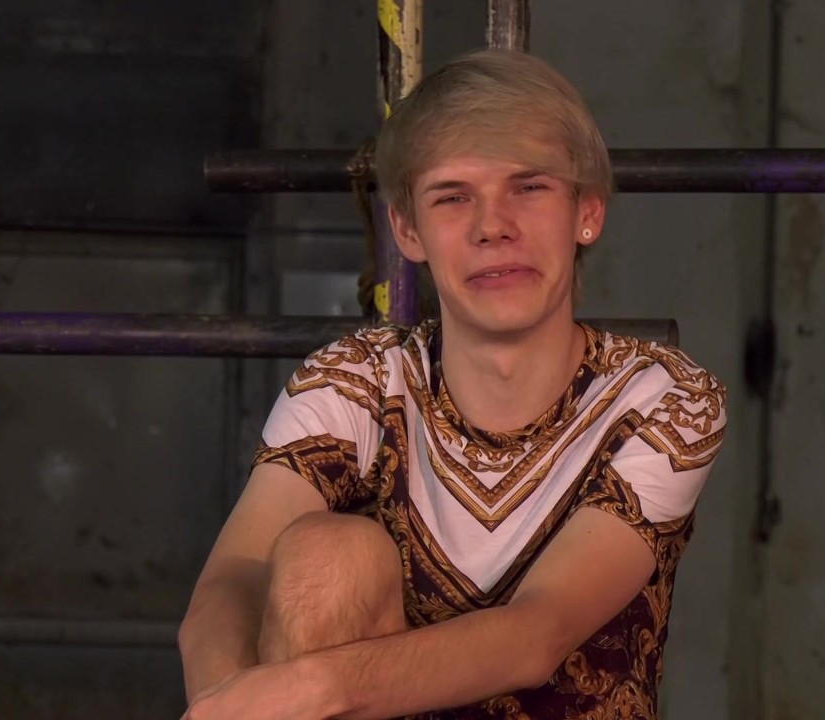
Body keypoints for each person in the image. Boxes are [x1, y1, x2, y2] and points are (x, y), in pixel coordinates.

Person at [178, 48, 727, 720]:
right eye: (453, 196)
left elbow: (538, 632)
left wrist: (307, 691)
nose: (492, 227)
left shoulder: (665, 397)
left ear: (587, 210)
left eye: (529, 187)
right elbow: (229, 583)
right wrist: (225, 705)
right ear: (408, 230)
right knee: (329, 554)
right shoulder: (356, 380)